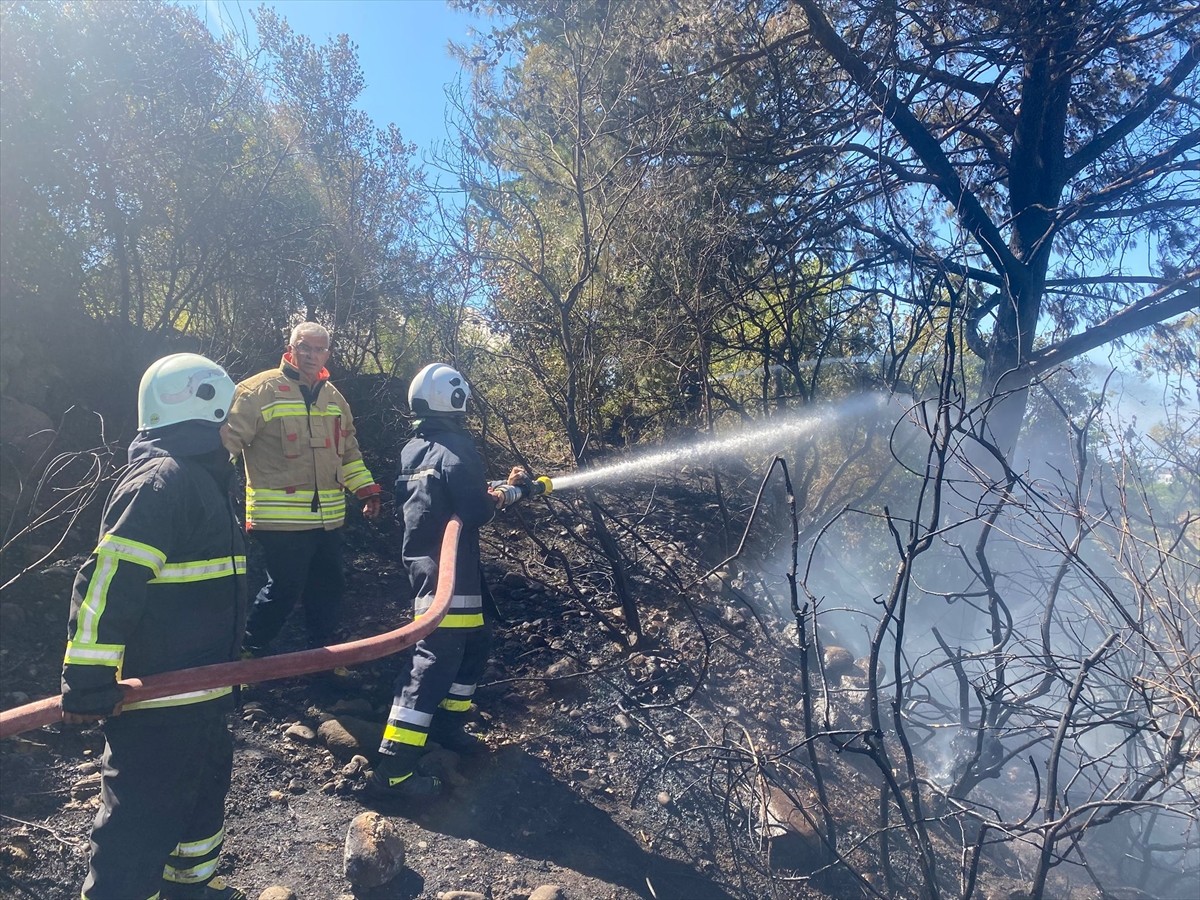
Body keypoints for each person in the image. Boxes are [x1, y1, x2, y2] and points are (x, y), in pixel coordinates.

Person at [61, 353, 248, 900]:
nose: (232, 425)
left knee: (200, 808)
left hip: (206, 693)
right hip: (155, 702)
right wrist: (89, 679)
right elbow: (108, 581)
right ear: (204, 406)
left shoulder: (205, 479)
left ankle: (191, 890)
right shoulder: (163, 482)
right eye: (227, 413)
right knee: (136, 827)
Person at [366, 362, 533, 802]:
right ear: (456, 400)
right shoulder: (457, 446)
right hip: (448, 574)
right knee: (435, 659)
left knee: (475, 643)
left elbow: (452, 490)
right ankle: (395, 769)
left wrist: (497, 487)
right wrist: (513, 492)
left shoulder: (416, 449)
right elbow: (475, 509)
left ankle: (447, 726)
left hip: (428, 565)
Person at [221, 322, 382, 661]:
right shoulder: (257, 391)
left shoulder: (335, 398)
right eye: (304, 347)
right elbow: (227, 444)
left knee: (329, 587)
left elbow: (348, 451)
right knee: (285, 588)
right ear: (290, 347)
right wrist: (207, 491)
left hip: (329, 519)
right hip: (279, 521)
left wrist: (366, 491)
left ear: (327, 353)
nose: (311, 355)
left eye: (318, 349)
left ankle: (321, 656)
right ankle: (248, 653)